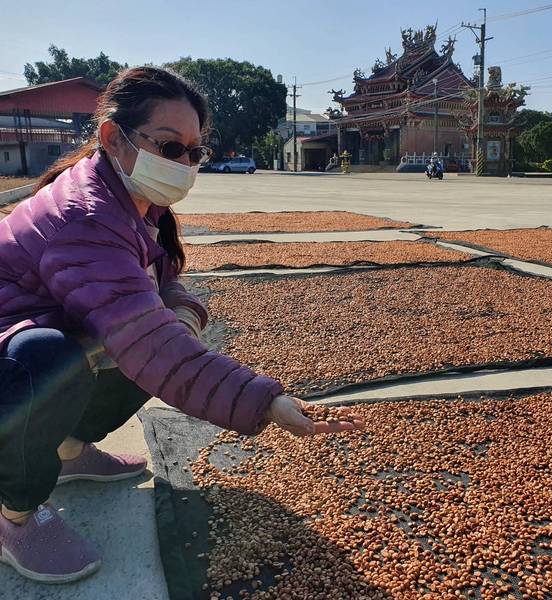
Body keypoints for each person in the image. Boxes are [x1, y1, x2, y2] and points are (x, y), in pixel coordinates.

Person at [0, 66, 362, 584]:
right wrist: (266, 401)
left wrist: (185, 318)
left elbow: (160, 289)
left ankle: (69, 449)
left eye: (194, 152)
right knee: (48, 358)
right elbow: (151, 341)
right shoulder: (83, 215)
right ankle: (13, 515)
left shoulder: (141, 203)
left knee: (147, 338)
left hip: (50, 331)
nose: (184, 165)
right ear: (112, 137)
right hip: (12, 356)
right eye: (170, 148)